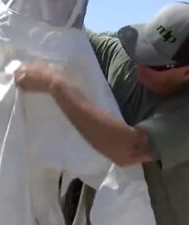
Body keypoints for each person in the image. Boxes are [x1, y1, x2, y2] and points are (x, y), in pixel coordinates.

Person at [14, 2, 189, 225]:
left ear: (186, 73)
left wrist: (56, 85)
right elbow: (72, 33)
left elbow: (131, 149)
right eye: (142, 50)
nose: (140, 65)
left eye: (155, 62)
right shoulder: (124, 61)